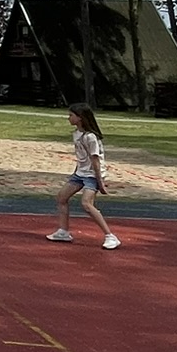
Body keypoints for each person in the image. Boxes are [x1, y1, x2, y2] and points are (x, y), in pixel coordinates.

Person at [46, 103, 119, 249]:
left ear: (80, 118)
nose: (68, 118)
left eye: (71, 115)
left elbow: (95, 160)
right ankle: (63, 232)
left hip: (92, 175)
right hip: (80, 173)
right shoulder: (76, 134)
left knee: (86, 204)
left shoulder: (90, 137)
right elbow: (81, 158)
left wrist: (100, 182)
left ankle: (110, 236)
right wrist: (75, 173)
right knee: (61, 198)